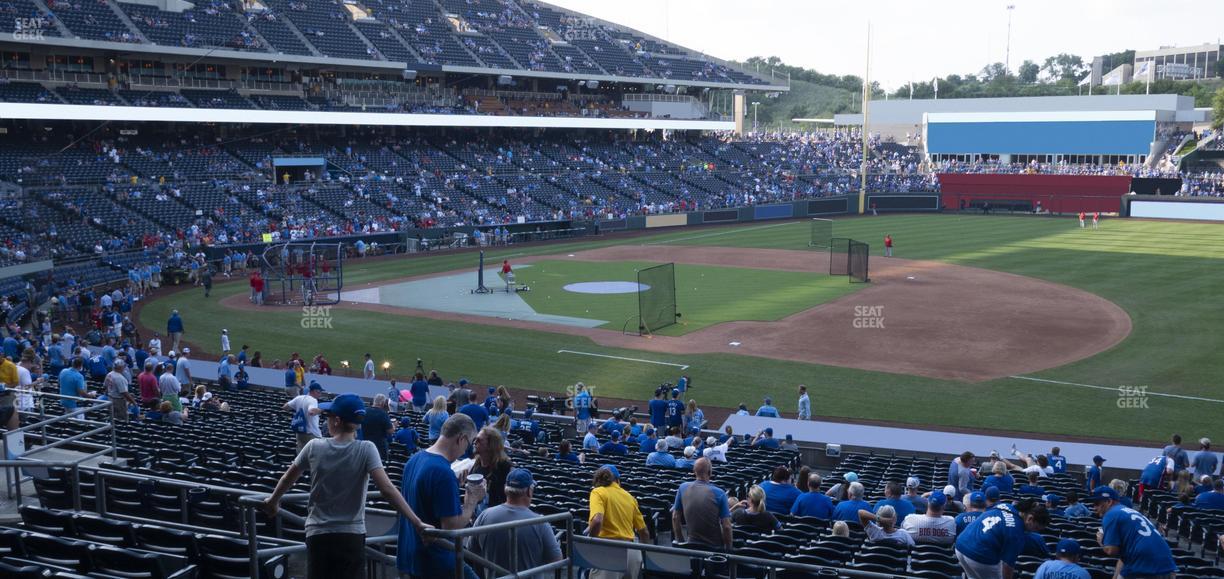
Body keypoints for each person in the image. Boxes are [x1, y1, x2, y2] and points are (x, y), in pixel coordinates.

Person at [263, 393, 426, 579]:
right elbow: (387, 490)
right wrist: (417, 522)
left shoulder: (314, 446)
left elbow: (286, 479)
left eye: (329, 416)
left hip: (318, 534)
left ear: (337, 421)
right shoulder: (367, 449)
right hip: (351, 535)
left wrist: (273, 501)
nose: (327, 420)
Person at [397, 414, 486, 579]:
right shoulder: (442, 473)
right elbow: (451, 528)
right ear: (461, 438)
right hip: (436, 562)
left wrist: (453, 486)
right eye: (468, 444)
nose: (467, 450)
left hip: (412, 556)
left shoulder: (414, 459)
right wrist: (472, 501)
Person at [468, 468, 562, 579]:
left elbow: (471, 550)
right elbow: (556, 560)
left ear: (505, 489)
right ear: (529, 491)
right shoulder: (540, 523)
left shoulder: (485, 515)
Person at [1090, 485, 1178, 578]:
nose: (1094, 507)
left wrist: (1101, 542)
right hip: (1167, 564)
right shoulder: (1128, 511)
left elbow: (1111, 550)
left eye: (1097, 503)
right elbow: (1124, 557)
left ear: (1109, 501)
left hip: (1145, 566)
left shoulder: (1111, 514)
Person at [954, 499, 1050, 579]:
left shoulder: (1005, 505)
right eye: (1036, 528)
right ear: (1030, 518)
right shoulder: (1016, 533)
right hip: (979, 555)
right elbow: (1007, 567)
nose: (1035, 531)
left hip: (960, 545)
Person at [588, 464, 649, 579]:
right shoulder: (630, 497)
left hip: (609, 551)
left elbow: (597, 521)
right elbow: (644, 532)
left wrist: (591, 543)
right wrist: (645, 555)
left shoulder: (598, 492)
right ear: (617, 480)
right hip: (632, 553)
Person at [671, 458, 732, 551]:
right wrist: (728, 550)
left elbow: (675, 517)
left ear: (694, 471)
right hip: (714, 549)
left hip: (691, 545)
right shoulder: (720, 493)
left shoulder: (683, 487)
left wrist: (681, 541)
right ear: (710, 472)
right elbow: (727, 527)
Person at [468, 426, 513, 508]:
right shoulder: (476, 464)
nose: (474, 442)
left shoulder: (504, 466)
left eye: (479, 440)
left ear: (490, 445)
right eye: (475, 439)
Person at [285, 382, 325, 452]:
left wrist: (299, 407)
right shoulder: (313, 400)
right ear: (314, 391)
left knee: (301, 457)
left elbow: (285, 407)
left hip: (300, 433)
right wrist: (322, 410)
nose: (320, 394)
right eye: (319, 392)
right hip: (311, 434)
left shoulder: (299, 398)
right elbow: (311, 412)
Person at [360, 394, 394, 461]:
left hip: (364, 444)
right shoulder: (383, 414)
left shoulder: (364, 411)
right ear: (382, 403)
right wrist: (394, 426)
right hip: (379, 447)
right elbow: (390, 431)